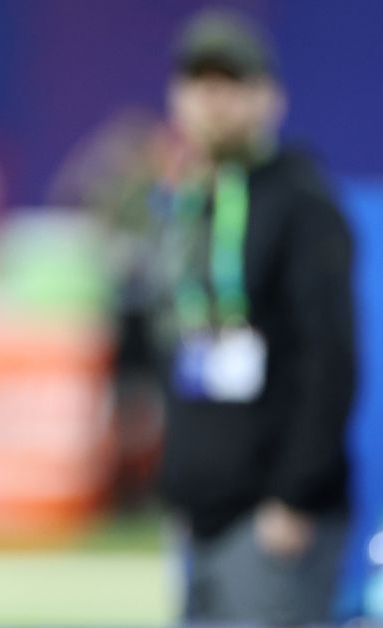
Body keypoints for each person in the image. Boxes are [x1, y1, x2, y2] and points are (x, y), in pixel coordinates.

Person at [136, 10, 357, 624]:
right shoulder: (184, 204)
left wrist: (294, 496)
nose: (212, 99)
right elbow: (175, 349)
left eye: (230, 82)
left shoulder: (302, 202)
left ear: (269, 97)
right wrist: (177, 486)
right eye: (197, 82)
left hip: (272, 519)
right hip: (198, 514)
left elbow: (331, 360)